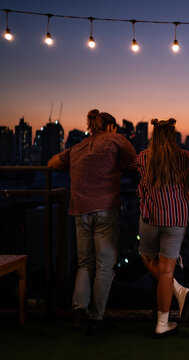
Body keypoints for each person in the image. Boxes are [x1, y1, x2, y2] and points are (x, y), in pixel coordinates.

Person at [48, 110, 137, 335]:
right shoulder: (117, 140)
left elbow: (51, 164)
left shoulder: (77, 147)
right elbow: (135, 163)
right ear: (111, 127)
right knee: (104, 266)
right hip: (106, 209)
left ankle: (78, 313)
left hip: (80, 209)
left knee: (84, 264)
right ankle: (96, 318)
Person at [136, 118, 189, 338]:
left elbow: (141, 186)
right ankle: (164, 320)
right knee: (166, 271)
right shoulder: (185, 158)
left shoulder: (143, 157)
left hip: (150, 217)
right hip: (175, 219)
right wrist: (185, 207)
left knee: (146, 258)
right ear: (173, 136)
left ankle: (179, 291)